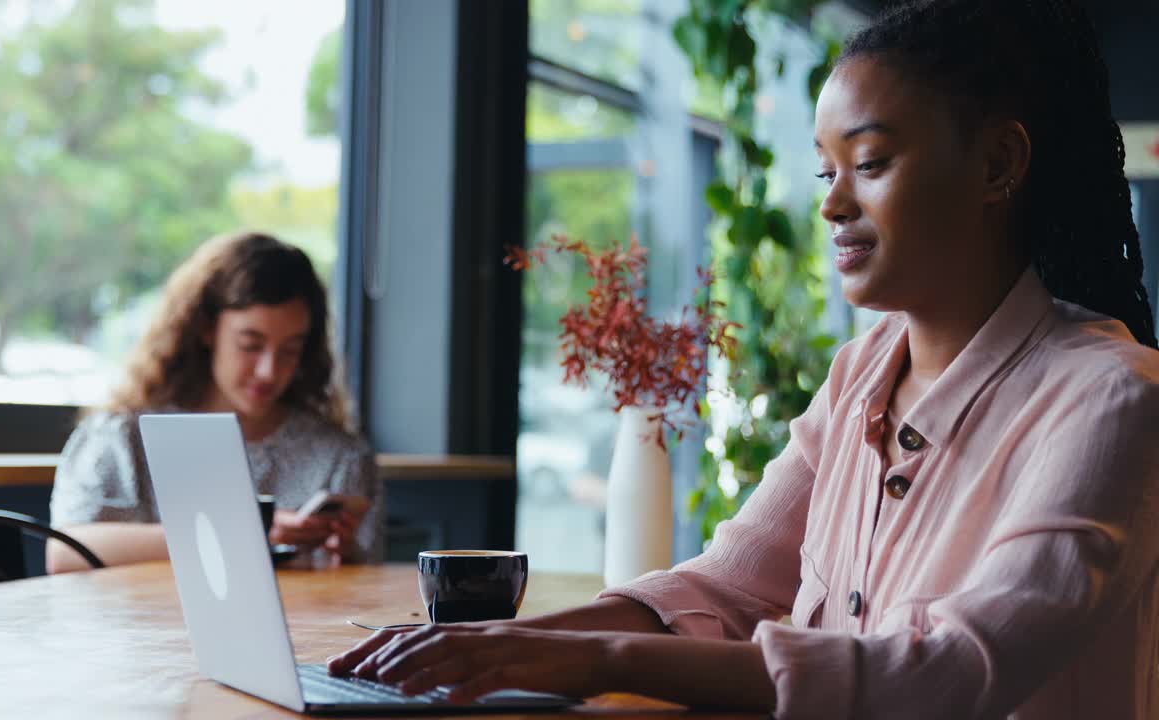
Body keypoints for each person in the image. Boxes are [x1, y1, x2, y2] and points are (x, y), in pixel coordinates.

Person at [327, 1, 1159, 717]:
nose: (832, 204)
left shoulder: (1110, 396)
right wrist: (495, 645)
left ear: (997, 163)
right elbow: (722, 590)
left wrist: (593, 660)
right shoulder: (861, 374)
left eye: (869, 164)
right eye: (826, 170)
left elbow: (951, 668)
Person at [47, 232, 381, 573]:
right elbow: (64, 554)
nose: (269, 371)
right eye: (250, 345)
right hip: (138, 625)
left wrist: (348, 556)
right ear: (205, 328)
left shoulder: (339, 457)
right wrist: (243, 533)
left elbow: (366, 592)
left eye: (291, 350)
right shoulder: (124, 436)